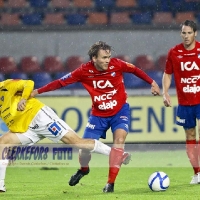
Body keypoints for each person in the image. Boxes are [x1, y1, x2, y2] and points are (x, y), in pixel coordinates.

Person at [31, 41, 160, 192]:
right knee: (84, 149)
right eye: (104, 57)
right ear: (94, 58)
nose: (107, 60)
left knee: (119, 141)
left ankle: (110, 184)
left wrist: (152, 82)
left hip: (120, 111)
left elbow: (135, 70)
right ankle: (83, 169)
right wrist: (37, 92)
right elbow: (61, 82)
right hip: (98, 115)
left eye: (109, 57)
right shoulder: (83, 71)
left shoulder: (117, 64)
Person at [0, 79, 118, 193]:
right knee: (3, 142)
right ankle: (0, 185)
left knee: (77, 142)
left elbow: (28, 83)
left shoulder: (5, 86)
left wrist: (23, 99)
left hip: (39, 117)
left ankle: (116, 153)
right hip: (26, 130)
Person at [162, 20, 200, 184]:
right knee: (190, 136)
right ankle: (197, 173)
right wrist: (165, 93)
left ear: (195, 33)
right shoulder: (174, 52)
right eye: (183, 33)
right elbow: (167, 74)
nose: (186, 36)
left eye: (189, 33)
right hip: (185, 103)